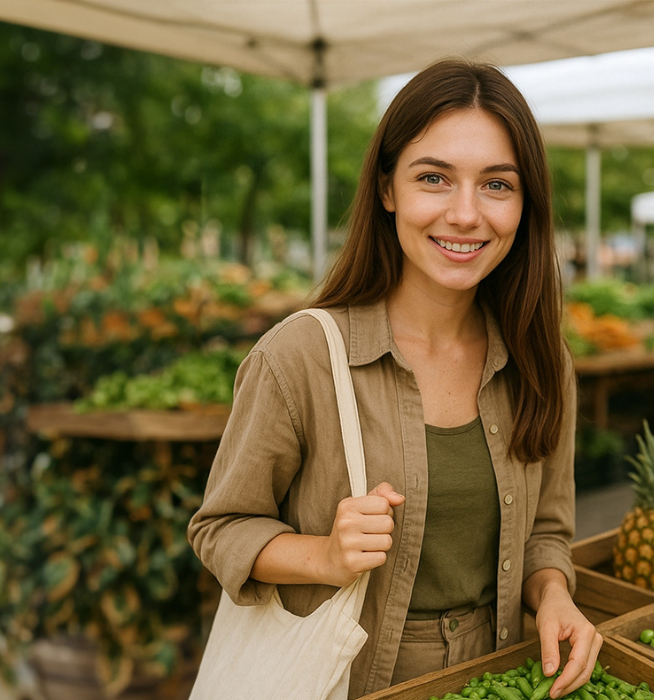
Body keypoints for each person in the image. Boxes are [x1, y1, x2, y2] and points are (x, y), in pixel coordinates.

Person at [187, 57, 602, 699]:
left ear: (526, 205)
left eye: (497, 185)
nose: (465, 214)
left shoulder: (540, 362)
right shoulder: (300, 356)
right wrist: (325, 555)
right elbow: (221, 529)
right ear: (387, 190)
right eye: (434, 178)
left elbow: (547, 531)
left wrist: (553, 594)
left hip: (496, 678)